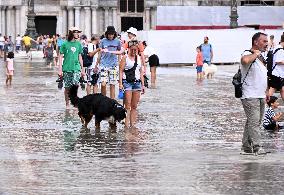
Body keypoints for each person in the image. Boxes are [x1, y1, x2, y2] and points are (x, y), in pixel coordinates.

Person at [240, 32, 268, 154]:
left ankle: (246, 147)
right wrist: (255, 54)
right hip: (250, 95)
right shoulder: (247, 53)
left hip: (260, 94)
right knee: (254, 122)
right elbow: (245, 60)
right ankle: (257, 147)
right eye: (264, 41)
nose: (266, 44)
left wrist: (266, 91)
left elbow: (263, 76)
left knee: (253, 121)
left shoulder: (262, 57)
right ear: (256, 42)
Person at [119, 40, 145, 128]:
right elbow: (121, 71)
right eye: (132, 50)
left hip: (137, 83)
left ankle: (132, 125)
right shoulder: (125, 58)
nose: (134, 51)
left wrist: (143, 85)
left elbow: (141, 72)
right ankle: (126, 125)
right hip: (127, 83)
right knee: (128, 105)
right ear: (129, 49)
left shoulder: (139, 58)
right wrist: (120, 83)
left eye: (136, 50)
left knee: (134, 106)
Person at [58, 26, 85, 109]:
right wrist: (60, 69)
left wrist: (83, 69)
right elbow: (60, 56)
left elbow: (80, 56)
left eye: (78, 32)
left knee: (75, 85)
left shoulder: (79, 44)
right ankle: (67, 104)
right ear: (71, 33)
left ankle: (74, 102)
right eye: (75, 32)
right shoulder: (64, 44)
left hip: (76, 68)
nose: (77, 34)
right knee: (67, 87)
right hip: (66, 68)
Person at [96, 26, 122, 99]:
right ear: (107, 34)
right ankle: (103, 100)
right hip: (103, 64)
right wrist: (96, 65)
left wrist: (119, 63)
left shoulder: (118, 41)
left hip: (114, 65)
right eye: (109, 34)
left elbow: (119, 52)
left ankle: (112, 102)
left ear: (114, 34)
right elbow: (100, 54)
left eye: (112, 34)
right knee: (103, 84)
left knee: (112, 85)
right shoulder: (102, 41)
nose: (111, 36)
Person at [268, 35, 284, 99]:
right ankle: (266, 103)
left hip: (279, 73)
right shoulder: (280, 50)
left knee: (282, 90)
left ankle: (266, 103)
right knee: (272, 89)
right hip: (277, 74)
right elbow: (278, 61)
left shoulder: (278, 47)